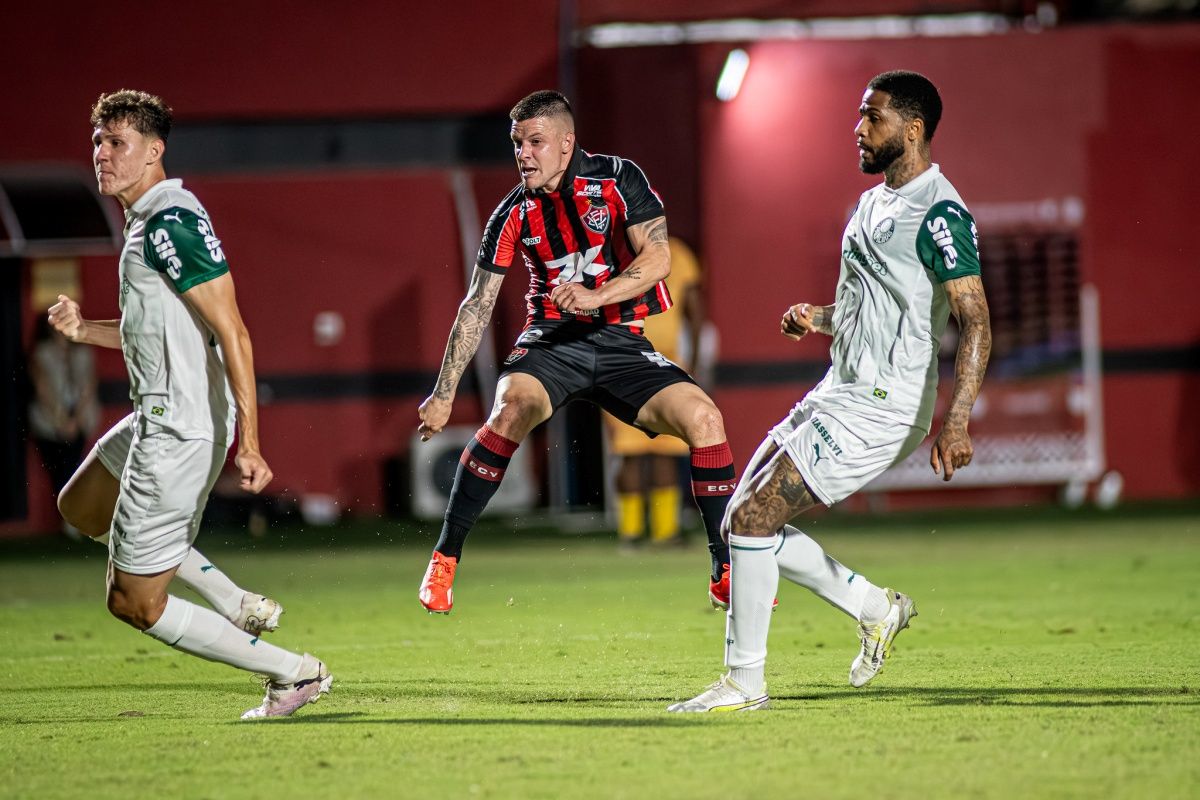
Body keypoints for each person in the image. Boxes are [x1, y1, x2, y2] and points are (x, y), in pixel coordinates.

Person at [669, 70, 992, 712]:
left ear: (913, 128)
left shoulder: (940, 213)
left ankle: (744, 683)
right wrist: (818, 318)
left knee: (754, 518)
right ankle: (875, 608)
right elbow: (875, 303)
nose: (859, 128)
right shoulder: (872, 204)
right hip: (840, 389)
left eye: (873, 117)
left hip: (884, 406)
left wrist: (957, 420)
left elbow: (975, 318)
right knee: (742, 517)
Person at [50, 90, 331, 719]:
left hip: (176, 428)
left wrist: (252, 443)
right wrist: (85, 331)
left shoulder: (167, 221)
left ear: (154, 152)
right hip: (163, 414)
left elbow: (232, 330)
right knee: (82, 503)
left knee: (134, 604)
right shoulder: (152, 220)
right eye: (97, 141)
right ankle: (230, 598)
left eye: (116, 143)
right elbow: (157, 327)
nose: (101, 154)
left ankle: (292, 676)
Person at [416, 91, 740, 613]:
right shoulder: (512, 213)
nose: (523, 154)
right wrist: (443, 392)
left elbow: (658, 258)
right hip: (551, 344)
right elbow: (477, 305)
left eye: (535, 142)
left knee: (705, 419)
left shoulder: (617, 179)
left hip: (621, 343)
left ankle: (725, 568)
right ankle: (444, 560)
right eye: (517, 143)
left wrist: (597, 296)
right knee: (510, 408)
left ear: (566, 144)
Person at [603, 236, 710, 550]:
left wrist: (697, 363)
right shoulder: (613, 253)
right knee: (629, 452)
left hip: (665, 362)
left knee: (665, 450)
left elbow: (694, 311)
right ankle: (632, 533)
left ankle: (663, 532)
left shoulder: (677, 252)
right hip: (622, 360)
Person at [27, 316, 100, 503]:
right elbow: (42, 388)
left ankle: (76, 514)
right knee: (59, 470)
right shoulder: (42, 353)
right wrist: (60, 419)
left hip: (81, 418)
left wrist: (76, 418)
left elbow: (89, 385)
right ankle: (68, 514)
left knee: (77, 466)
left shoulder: (83, 352)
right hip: (49, 419)